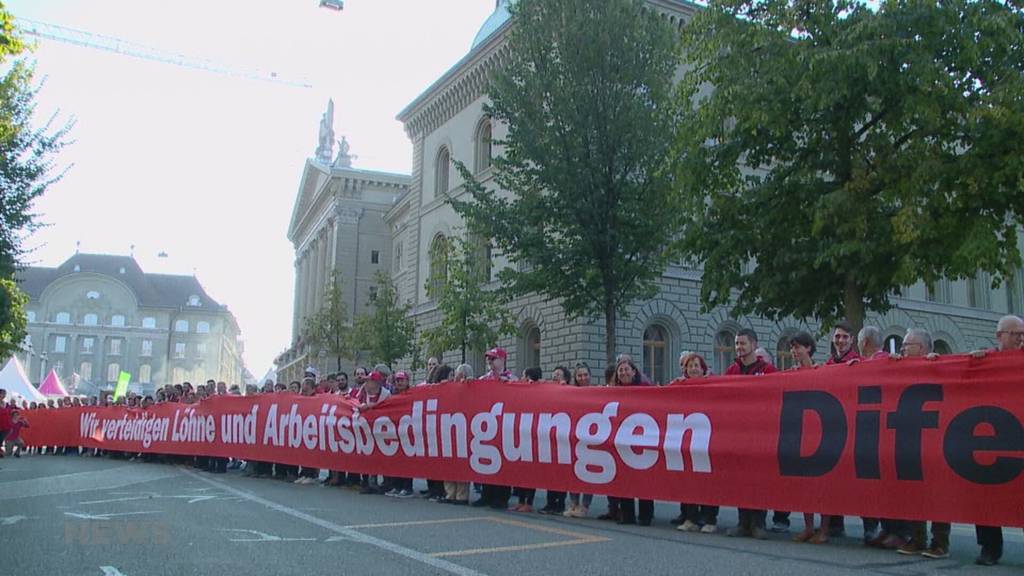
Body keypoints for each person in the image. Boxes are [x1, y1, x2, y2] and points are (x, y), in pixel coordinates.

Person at [972, 314, 1024, 566]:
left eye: (1022, 334)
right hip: (991, 438)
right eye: (1015, 334)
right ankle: (990, 548)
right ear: (1000, 336)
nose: (1020, 338)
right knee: (986, 495)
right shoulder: (986, 360)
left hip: (1019, 438)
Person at [895, 328, 950, 559]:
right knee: (913, 491)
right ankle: (917, 538)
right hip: (909, 438)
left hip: (935, 439)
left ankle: (940, 542)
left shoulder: (940, 366)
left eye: (907, 345)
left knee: (937, 492)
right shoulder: (900, 369)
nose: (903, 348)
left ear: (923, 348)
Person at [725, 328, 777, 539]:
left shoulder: (768, 370)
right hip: (737, 435)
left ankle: (758, 523)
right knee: (740, 479)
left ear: (754, 345)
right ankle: (743, 523)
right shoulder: (731, 371)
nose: (739, 348)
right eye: (737, 344)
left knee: (758, 478)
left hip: (761, 435)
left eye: (743, 343)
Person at [674, 352, 719, 534]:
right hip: (687, 441)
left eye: (697, 366)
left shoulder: (713, 386)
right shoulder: (678, 386)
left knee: (708, 482)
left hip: (707, 441)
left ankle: (710, 519)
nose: (693, 369)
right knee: (689, 481)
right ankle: (690, 518)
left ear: (703, 369)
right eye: (690, 366)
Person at [611, 357, 655, 526]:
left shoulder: (645, 389)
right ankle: (627, 514)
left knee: (644, 479)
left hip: (643, 439)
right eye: (620, 370)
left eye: (626, 369)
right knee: (625, 479)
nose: (623, 373)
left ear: (634, 371)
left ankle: (646, 515)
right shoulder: (613, 392)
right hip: (622, 441)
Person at [539, 366, 572, 516]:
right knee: (549, 473)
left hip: (564, 439)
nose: (555, 377)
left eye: (558, 375)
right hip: (549, 438)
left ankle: (560, 503)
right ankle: (550, 502)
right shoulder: (547, 392)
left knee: (561, 473)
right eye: (553, 375)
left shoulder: (570, 392)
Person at [564, 363, 595, 518]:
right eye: (579, 375)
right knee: (573, 473)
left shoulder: (597, 393)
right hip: (573, 438)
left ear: (590, 376)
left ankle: (585, 506)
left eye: (585, 375)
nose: (583, 378)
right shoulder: (570, 393)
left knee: (589, 473)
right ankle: (574, 503)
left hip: (590, 439)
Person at [441, 365, 473, 505]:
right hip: (449, 425)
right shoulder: (448, 387)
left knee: (461, 462)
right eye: (456, 374)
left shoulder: (472, 386)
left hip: (463, 427)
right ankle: (450, 493)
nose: (457, 377)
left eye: (460, 374)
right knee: (448, 461)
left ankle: (461, 495)